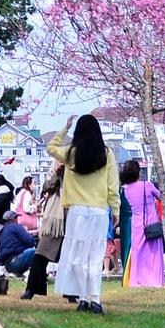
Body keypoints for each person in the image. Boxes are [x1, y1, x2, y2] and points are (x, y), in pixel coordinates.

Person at [47, 116, 117, 314]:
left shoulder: (71, 153)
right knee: (95, 258)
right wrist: (116, 210)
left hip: (77, 211)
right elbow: (113, 185)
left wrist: (64, 129)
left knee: (77, 258)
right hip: (99, 211)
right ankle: (95, 300)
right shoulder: (106, 154)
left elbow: (51, 148)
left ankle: (82, 300)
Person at [118, 158, 165, 288]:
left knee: (138, 254)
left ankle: (138, 279)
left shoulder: (126, 190)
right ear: (138, 172)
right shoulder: (147, 185)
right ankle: (156, 280)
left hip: (137, 225)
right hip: (152, 223)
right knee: (154, 253)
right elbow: (161, 196)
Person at [21, 162, 66, 300]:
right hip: (55, 216)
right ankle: (32, 289)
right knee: (41, 253)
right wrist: (58, 172)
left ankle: (72, 293)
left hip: (73, 213)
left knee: (71, 256)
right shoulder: (57, 164)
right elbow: (47, 186)